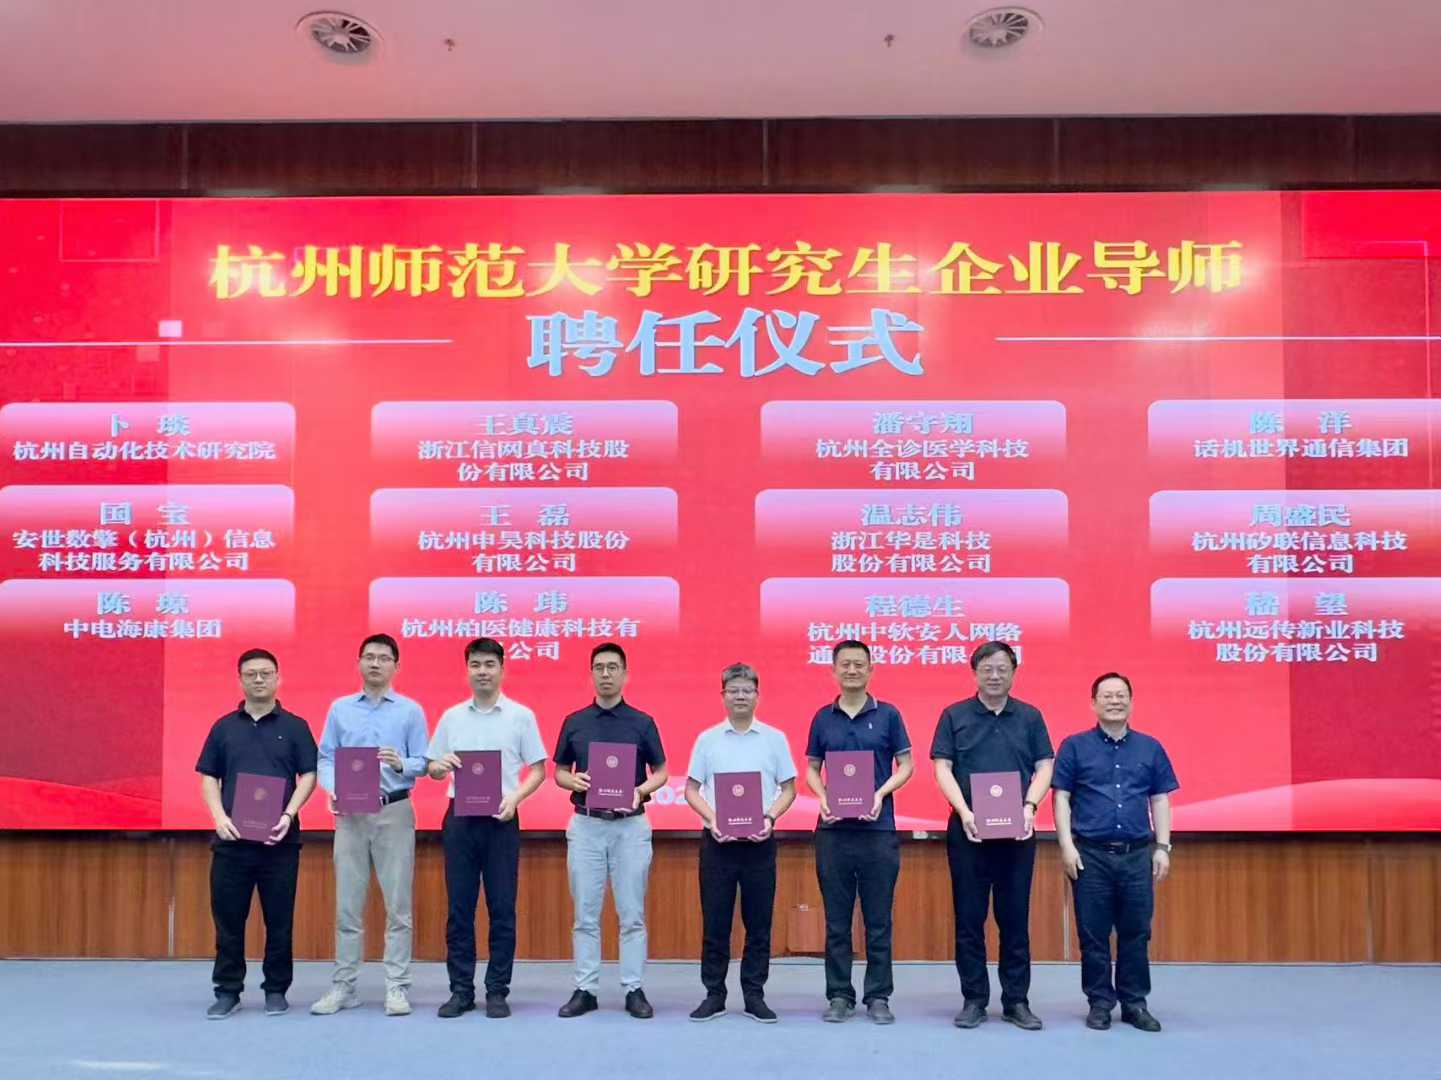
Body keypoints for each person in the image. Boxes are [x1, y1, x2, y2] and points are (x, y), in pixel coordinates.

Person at [932, 640, 1055, 1031]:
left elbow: (1045, 766)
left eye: (1003, 668)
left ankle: (1016, 1001)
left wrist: (1030, 806)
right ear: (975, 673)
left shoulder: (1030, 717)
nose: (995, 675)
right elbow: (942, 767)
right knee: (969, 919)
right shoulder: (954, 715)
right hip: (968, 831)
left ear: (1014, 672)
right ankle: (974, 1000)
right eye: (987, 668)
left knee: (1014, 919)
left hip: (1017, 834)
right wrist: (964, 811)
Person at [426, 637, 547, 1020]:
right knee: (459, 910)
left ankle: (497, 990)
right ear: (467, 670)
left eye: (489, 664)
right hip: (460, 821)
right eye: (476, 664)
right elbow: (432, 767)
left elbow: (539, 769)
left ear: (502, 669)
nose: (482, 671)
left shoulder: (520, 716)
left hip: (502, 820)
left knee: (502, 909)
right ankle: (461, 991)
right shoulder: (452, 717)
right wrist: (439, 767)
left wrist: (516, 798)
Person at [310, 633, 429, 1017]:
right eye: (369, 657)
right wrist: (332, 788)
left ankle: (397, 986)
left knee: (398, 907)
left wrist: (401, 763)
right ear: (359, 663)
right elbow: (326, 758)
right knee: (347, 905)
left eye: (384, 658)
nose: (376, 663)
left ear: (396, 665)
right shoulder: (340, 709)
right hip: (350, 815)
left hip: (394, 811)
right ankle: (344, 986)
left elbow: (424, 761)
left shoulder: (410, 711)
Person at [1053, 672, 1178, 1033]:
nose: (1114, 701)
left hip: (1137, 854)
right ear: (1093, 703)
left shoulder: (1150, 748)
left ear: (1131, 702)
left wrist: (1163, 847)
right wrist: (1066, 845)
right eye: (1107, 695)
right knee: (1093, 934)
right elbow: (1061, 797)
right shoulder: (1074, 746)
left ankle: (1135, 1003)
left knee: (1136, 932)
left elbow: (1160, 799)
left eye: (1121, 695)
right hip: (1090, 854)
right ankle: (1099, 1003)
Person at [196, 648, 317, 1019]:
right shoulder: (223, 727)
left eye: (266, 673)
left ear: (278, 678)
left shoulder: (295, 726)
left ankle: (276, 989)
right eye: (251, 674)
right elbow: (208, 776)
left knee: (279, 921)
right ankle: (227, 990)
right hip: (232, 842)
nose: (259, 679)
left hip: (279, 842)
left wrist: (289, 814)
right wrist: (219, 817)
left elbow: (309, 775)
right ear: (240, 680)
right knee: (228, 921)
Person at [553, 642, 668, 1019]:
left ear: (625, 674)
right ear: (591, 674)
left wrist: (641, 790)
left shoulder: (642, 722)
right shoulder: (574, 721)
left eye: (613, 667)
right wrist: (573, 780)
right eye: (599, 667)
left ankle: (633, 988)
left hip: (630, 826)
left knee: (631, 913)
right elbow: (559, 772)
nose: (606, 674)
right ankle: (585, 989)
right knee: (585, 913)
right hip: (586, 825)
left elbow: (662, 772)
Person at [804, 639, 913, 1024]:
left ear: (870, 669)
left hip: (877, 831)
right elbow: (812, 769)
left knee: (878, 919)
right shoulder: (822, 717)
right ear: (833, 670)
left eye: (859, 664)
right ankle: (839, 995)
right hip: (833, 832)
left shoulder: (889, 715)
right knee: (837, 921)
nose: (852, 670)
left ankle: (878, 996)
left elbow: (906, 765)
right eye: (845, 664)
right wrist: (822, 796)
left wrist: (881, 793)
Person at [683, 663, 797, 1023]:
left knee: (759, 924)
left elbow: (789, 789)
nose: (741, 696)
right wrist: (713, 818)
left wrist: (770, 817)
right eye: (733, 690)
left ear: (757, 695)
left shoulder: (774, 739)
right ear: (723, 696)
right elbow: (691, 789)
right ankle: (714, 994)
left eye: (747, 690)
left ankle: (754, 995)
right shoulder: (707, 739)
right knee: (715, 923)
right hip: (717, 843)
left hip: (759, 844)